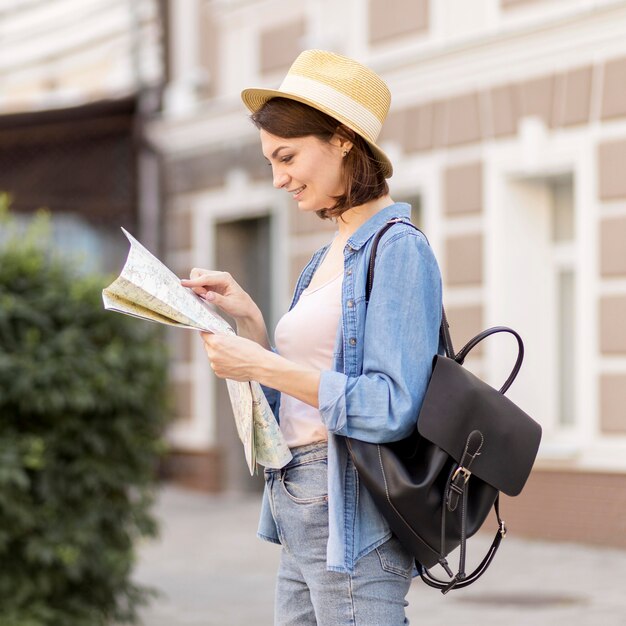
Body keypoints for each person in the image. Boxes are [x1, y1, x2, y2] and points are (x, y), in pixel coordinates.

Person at [181, 49, 442, 626]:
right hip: (302, 500)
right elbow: (303, 396)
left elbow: (392, 405)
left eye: (287, 156)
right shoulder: (323, 259)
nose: (278, 178)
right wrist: (248, 321)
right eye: (271, 160)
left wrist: (261, 365)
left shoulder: (398, 247)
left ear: (344, 139)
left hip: (349, 504)